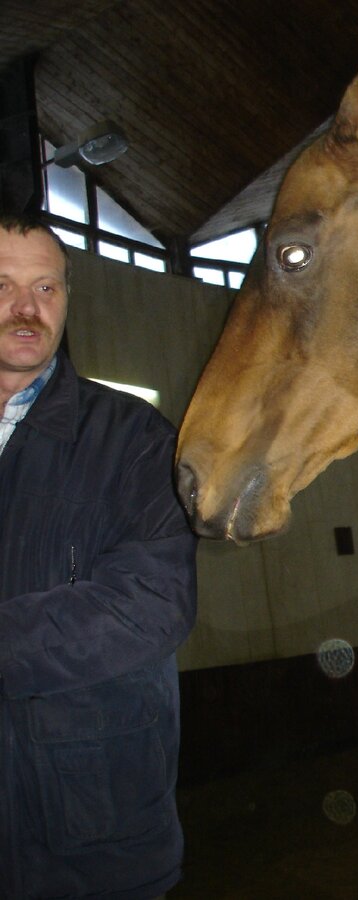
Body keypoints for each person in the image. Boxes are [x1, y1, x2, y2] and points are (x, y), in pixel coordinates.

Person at [0, 213, 197, 899]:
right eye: (3, 286)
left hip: (95, 844)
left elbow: (151, 605)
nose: (27, 308)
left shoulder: (135, 439)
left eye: (47, 288)